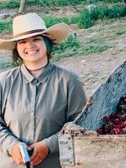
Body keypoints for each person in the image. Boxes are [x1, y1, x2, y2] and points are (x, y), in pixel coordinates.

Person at [0, 13, 86, 167]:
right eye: (23, 42)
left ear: (47, 43)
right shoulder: (4, 82)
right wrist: (12, 146)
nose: (30, 46)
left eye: (36, 39)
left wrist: (49, 145)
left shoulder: (69, 80)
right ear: (16, 48)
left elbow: (81, 122)